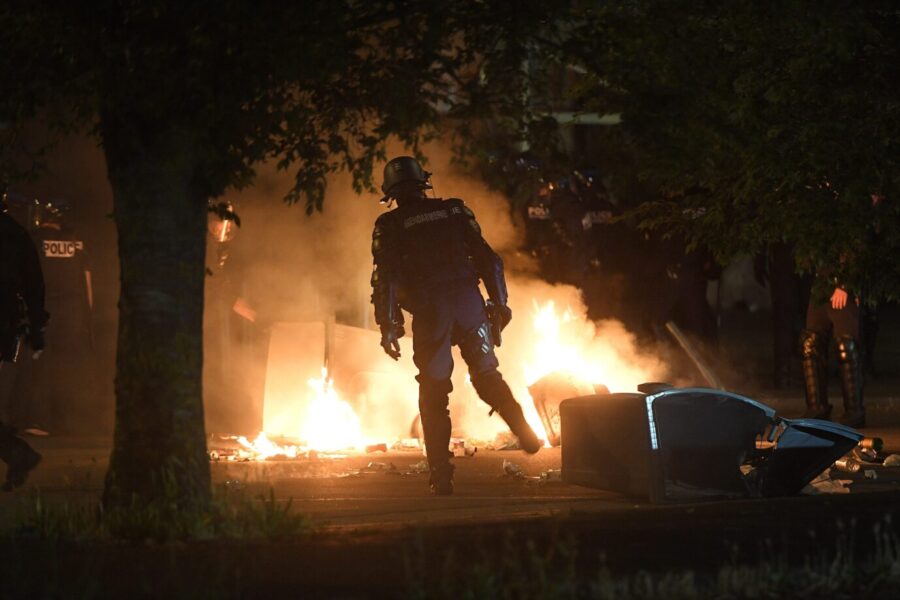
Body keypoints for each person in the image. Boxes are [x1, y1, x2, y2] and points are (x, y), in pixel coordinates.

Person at [370, 156, 541, 495]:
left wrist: (388, 325)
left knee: (434, 391)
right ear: (424, 183)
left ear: (392, 194)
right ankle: (523, 428)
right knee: (486, 374)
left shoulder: (389, 224)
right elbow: (490, 260)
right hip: (469, 305)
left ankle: (441, 474)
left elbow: (384, 278)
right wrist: (499, 304)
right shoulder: (454, 210)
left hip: (431, 313)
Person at [0, 194, 46, 490]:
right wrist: (37, 328)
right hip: (8, 324)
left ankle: (17, 453)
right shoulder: (17, 233)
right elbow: (34, 284)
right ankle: (17, 454)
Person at [800, 271, 864, 427]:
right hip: (821, 284)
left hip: (843, 282)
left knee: (846, 347)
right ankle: (817, 407)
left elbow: (857, 258)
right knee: (810, 344)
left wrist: (846, 284)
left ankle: (854, 411)